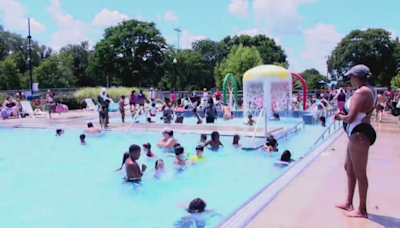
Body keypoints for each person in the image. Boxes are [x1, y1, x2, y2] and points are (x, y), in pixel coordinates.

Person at [333, 64, 377, 218]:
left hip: (359, 135)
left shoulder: (361, 93)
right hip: (358, 133)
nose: (350, 81)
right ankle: (348, 202)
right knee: (349, 167)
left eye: (351, 77)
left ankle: (362, 209)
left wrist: (339, 117)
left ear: (357, 77)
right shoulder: (371, 90)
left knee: (360, 173)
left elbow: (351, 117)